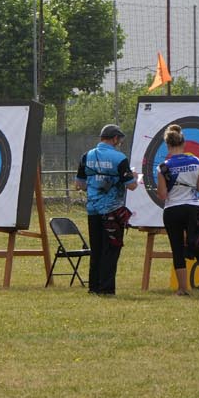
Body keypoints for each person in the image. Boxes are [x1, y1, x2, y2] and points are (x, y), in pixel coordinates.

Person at [75, 123, 139, 295]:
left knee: (96, 249)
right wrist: (135, 177)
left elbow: (79, 185)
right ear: (115, 138)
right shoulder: (119, 158)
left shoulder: (86, 156)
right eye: (119, 140)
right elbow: (131, 186)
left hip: (92, 211)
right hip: (112, 211)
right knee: (111, 248)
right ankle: (106, 288)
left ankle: (93, 287)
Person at [156, 123, 199, 297]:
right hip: (193, 208)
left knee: (177, 248)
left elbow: (162, 195)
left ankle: (183, 289)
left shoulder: (163, 167)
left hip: (172, 210)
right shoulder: (196, 161)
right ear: (183, 143)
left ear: (168, 145)